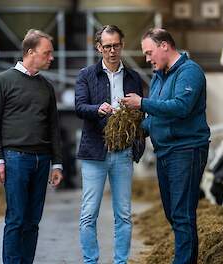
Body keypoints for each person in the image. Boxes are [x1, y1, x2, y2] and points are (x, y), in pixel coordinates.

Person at [122, 28, 210, 264]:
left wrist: (142, 103)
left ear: (165, 46)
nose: (147, 59)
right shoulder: (160, 77)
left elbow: (181, 107)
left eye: (149, 52)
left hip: (186, 150)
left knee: (182, 214)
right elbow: (157, 117)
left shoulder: (190, 72)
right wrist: (136, 129)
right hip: (166, 151)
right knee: (173, 213)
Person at [0, 29, 63, 264]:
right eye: (47, 53)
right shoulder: (2, 80)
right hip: (15, 159)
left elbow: (53, 128)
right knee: (16, 218)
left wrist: (57, 163)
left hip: (42, 160)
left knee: (33, 221)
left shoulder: (46, 87)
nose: (51, 58)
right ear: (30, 52)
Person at [75, 25, 145, 264]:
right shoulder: (86, 75)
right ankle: (90, 261)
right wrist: (98, 109)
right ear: (99, 48)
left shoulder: (133, 77)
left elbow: (141, 116)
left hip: (123, 152)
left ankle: (120, 262)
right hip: (95, 152)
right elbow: (79, 107)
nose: (112, 51)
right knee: (88, 214)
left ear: (122, 45)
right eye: (107, 46)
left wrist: (138, 144)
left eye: (116, 45)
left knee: (124, 214)